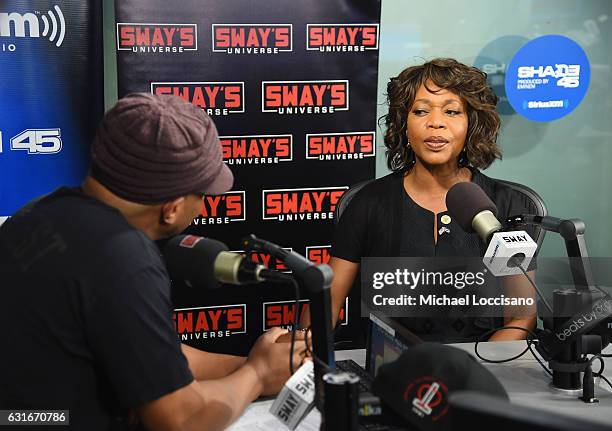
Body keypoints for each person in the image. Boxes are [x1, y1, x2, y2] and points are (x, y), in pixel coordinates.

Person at [0, 93, 306, 430]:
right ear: (172, 207)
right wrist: (258, 376)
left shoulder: (40, 212)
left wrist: (257, 364)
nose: (204, 206)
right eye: (203, 194)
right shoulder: (123, 257)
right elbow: (182, 420)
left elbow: (152, 356)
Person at [327, 58, 538, 342]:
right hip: (389, 368)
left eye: (452, 111)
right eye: (421, 111)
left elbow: (521, 317)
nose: (436, 123)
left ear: (471, 124)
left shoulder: (509, 206)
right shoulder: (368, 203)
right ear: (403, 123)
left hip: (479, 372)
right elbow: (325, 308)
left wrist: (475, 373)